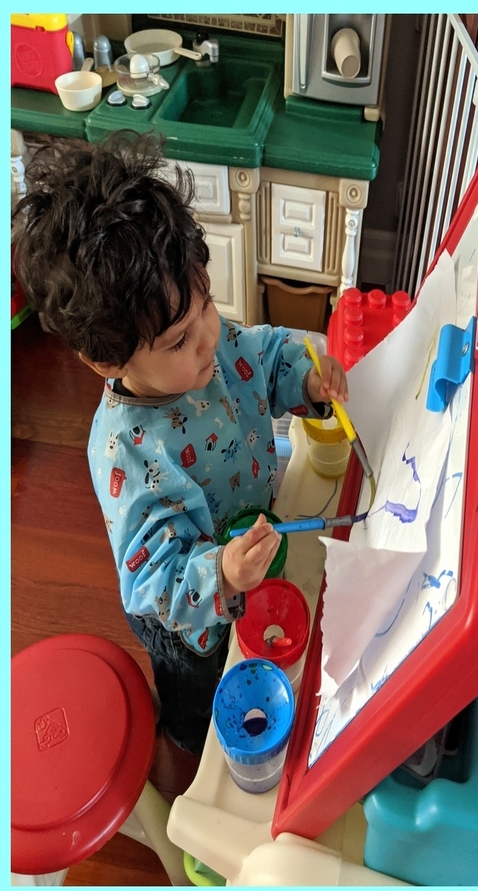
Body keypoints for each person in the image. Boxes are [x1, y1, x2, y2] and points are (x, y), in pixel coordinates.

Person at [13, 130, 349, 754]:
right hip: (187, 614)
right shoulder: (126, 454)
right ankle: (191, 741)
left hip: (248, 546)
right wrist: (218, 573)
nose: (209, 339)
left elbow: (265, 354)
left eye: (207, 305)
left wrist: (304, 376)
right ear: (105, 360)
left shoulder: (211, 343)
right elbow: (149, 579)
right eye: (176, 341)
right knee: (199, 701)